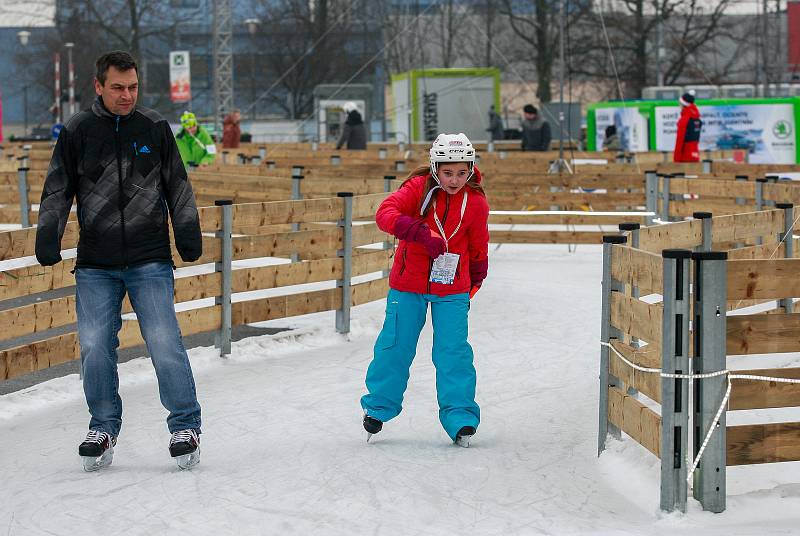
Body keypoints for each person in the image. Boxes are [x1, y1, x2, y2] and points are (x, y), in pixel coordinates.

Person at [35, 50, 204, 471]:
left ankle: (185, 424)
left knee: (164, 341)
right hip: (96, 262)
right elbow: (57, 188)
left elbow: (177, 186)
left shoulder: (154, 127)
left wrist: (187, 233)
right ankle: (103, 426)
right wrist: (48, 232)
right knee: (94, 346)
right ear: (98, 86)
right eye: (118, 88)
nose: (127, 95)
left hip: (149, 257)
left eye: (132, 88)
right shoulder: (78, 130)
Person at [360, 132, 489, 448]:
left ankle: (460, 417)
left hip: (453, 287)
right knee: (395, 345)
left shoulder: (475, 201)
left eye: (462, 172)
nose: (455, 180)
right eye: (448, 172)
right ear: (434, 168)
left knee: (453, 352)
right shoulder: (417, 189)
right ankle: (378, 407)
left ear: (470, 169)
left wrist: (477, 274)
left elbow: (478, 243)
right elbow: (385, 214)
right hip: (408, 284)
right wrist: (417, 231)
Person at [674, 90, 702, 163]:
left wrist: (676, 159)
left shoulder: (684, 120)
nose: (679, 105)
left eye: (680, 103)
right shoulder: (697, 119)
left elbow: (679, 141)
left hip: (685, 157)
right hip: (695, 154)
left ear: (684, 105)